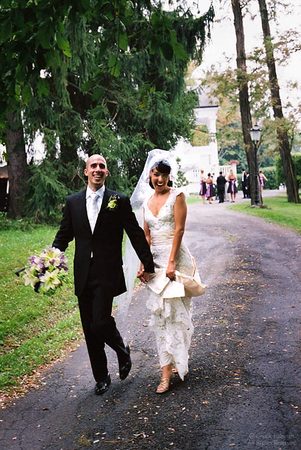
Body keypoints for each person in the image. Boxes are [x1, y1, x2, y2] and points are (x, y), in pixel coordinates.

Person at [52, 154, 155, 396]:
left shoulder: (118, 201)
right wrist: (50, 261)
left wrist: (148, 263)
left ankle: (121, 350)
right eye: (93, 166)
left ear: (106, 172)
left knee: (100, 321)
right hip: (82, 273)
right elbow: (63, 235)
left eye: (102, 166)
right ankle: (101, 377)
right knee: (89, 328)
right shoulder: (73, 202)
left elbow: (135, 232)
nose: (98, 170)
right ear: (85, 172)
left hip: (107, 272)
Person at [135, 152, 197, 394]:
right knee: (161, 316)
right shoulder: (146, 202)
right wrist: (144, 263)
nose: (158, 179)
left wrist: (171, 263)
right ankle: (167, 366)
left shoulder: (177, 196)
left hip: (175, 258)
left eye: (163, 174)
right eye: (155, 174)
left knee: (175, 312)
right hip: (156, 261)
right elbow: (147, 236)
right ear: (149, 174)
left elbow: (179, 230)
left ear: (169, 175)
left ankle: (171, 368)